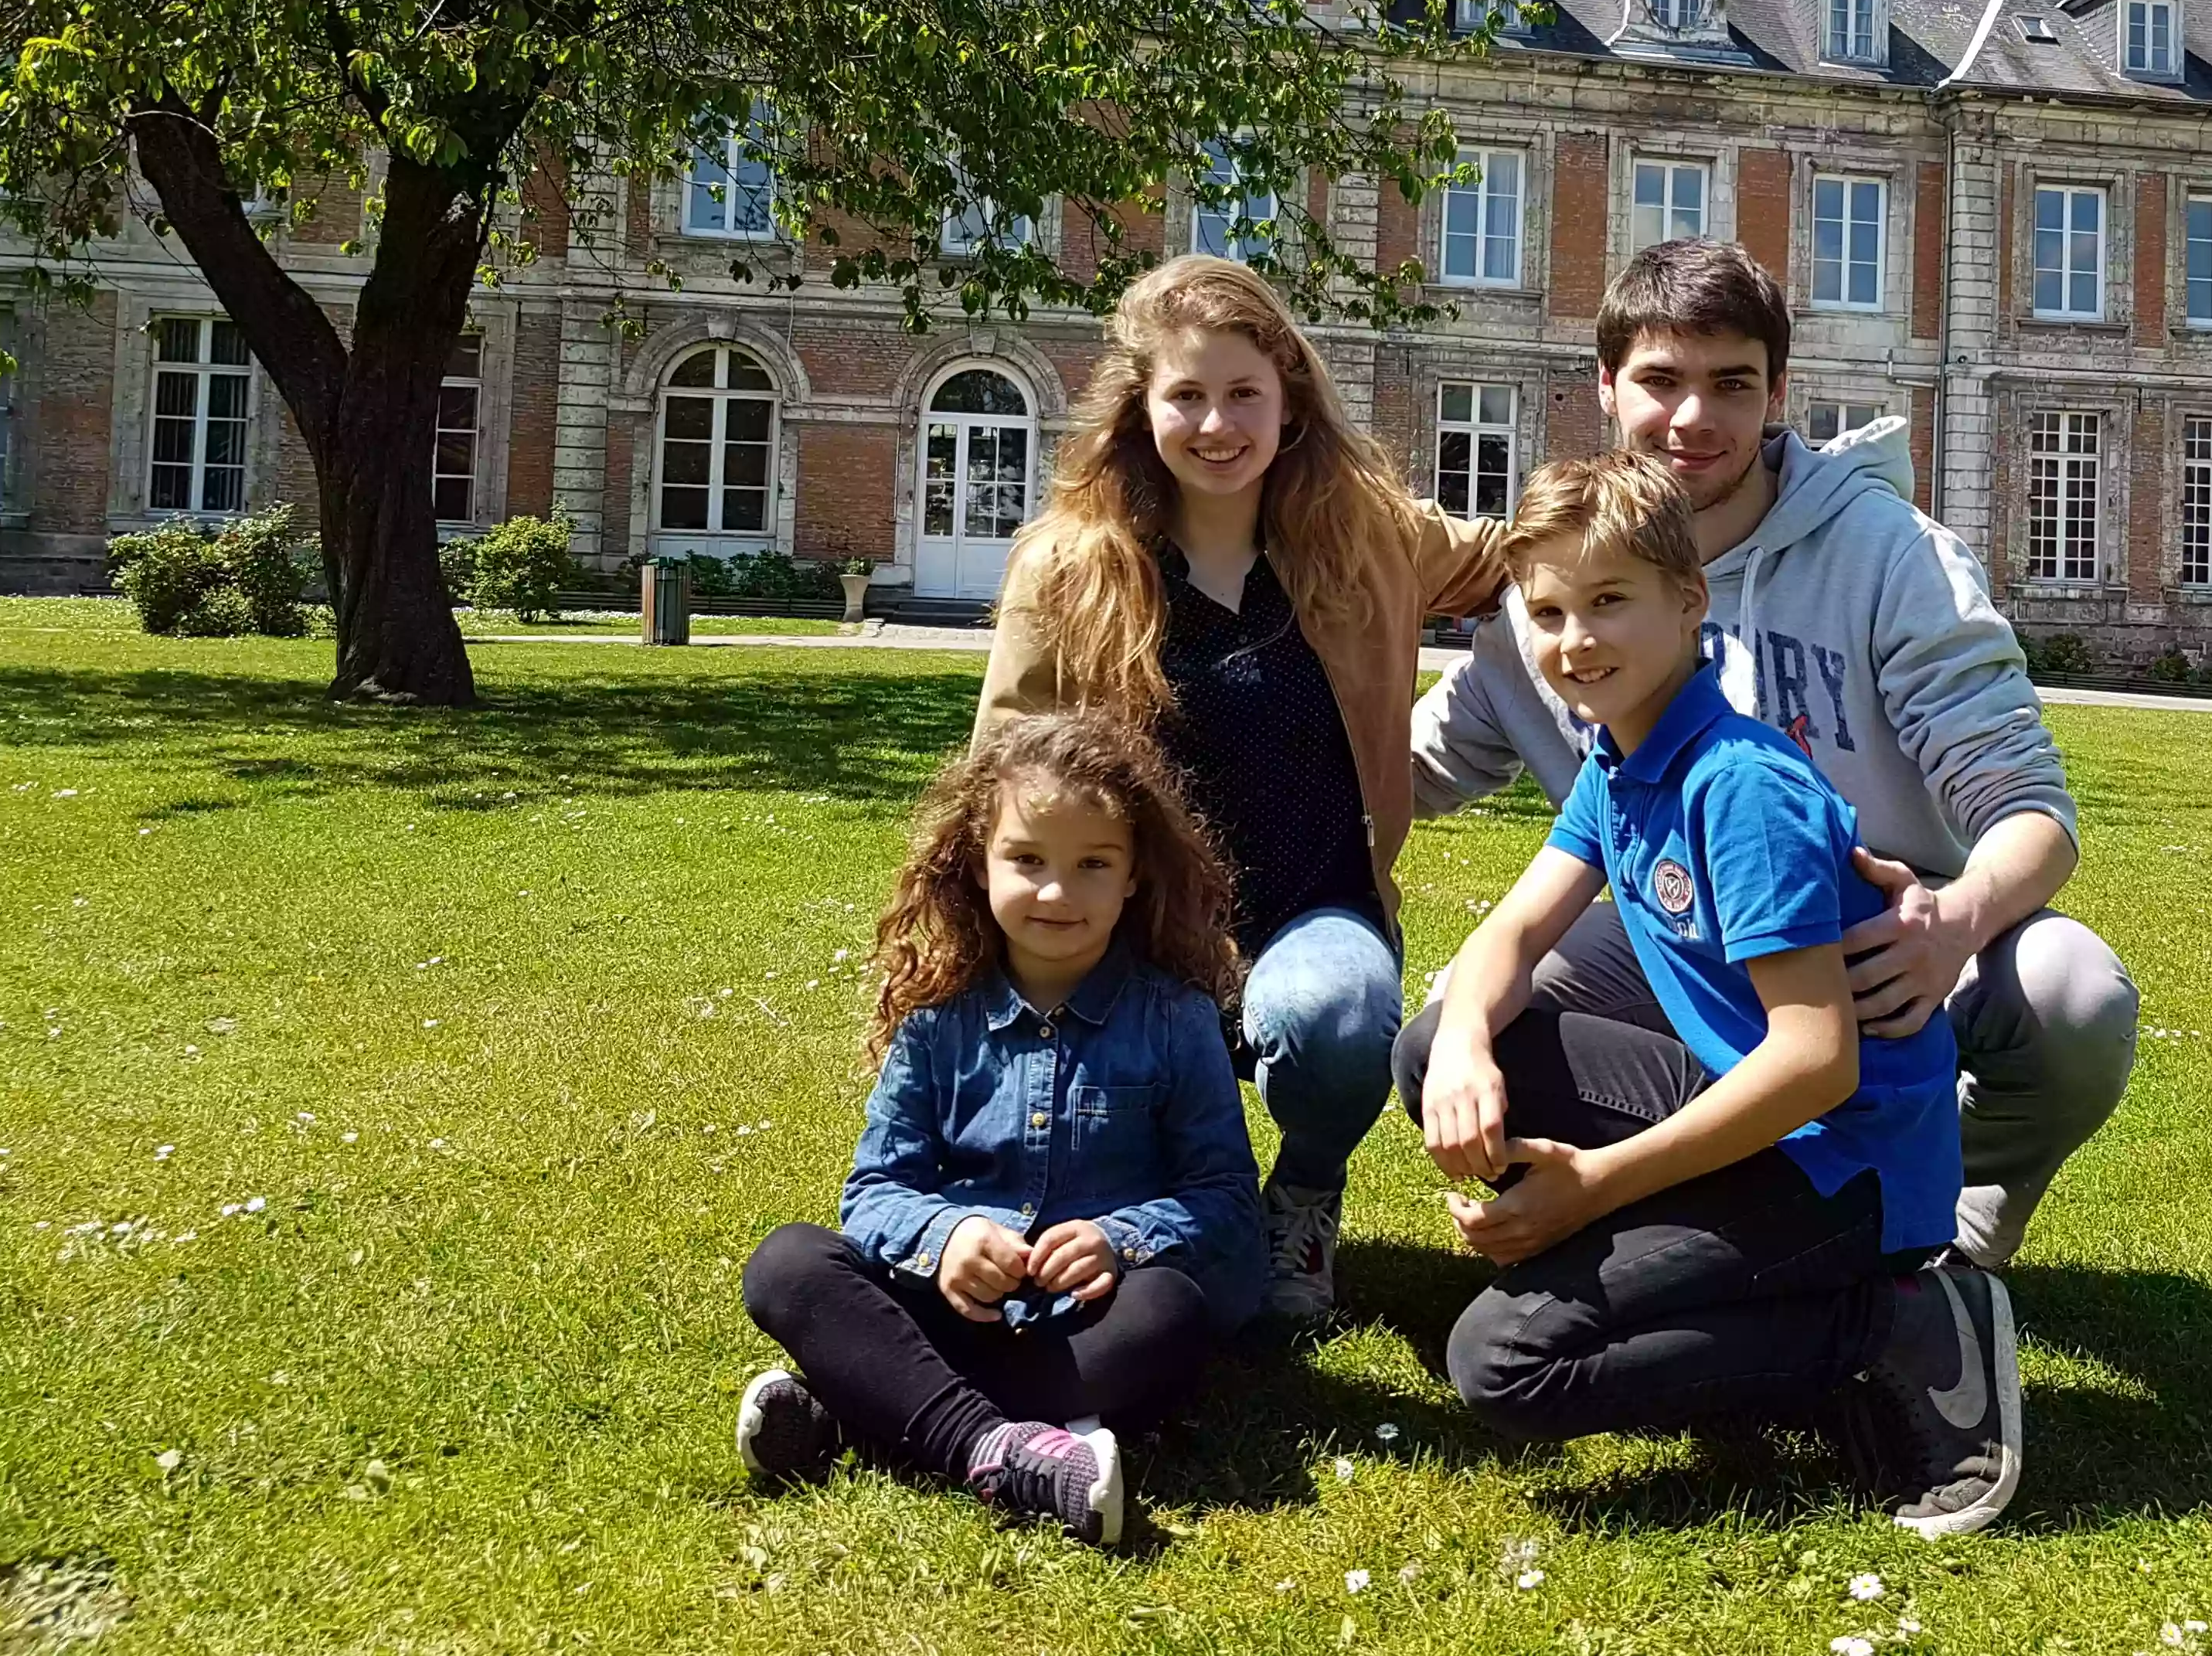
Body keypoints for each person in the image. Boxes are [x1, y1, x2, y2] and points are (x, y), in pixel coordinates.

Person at [1409, 238, 2135, 1270]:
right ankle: (1721, 1205)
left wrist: (1952, 924)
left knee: (2075, 993)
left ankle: (1949, 1214)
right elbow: (1404, 774)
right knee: (1449, 1029)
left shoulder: (1892, 555)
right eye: (1660, 381)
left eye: (1731, 384)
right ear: (1607, 389)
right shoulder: (1558, 598)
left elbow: (2032, 812)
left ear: (1778, 393)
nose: (1694, 419)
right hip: (1677, 930)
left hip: (1879, 934)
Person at [1401, 451, 2020, 1538]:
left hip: (1846, 1167)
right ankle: (1702, 1267)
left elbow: (1818, 1061)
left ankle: (1891, 1326)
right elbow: (1515, 928)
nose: (1574, 640)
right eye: (1546, 612)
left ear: (1688, 604)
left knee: (1503, 1366)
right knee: (1436, 1049)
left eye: (1608, 603)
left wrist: (1593, 1186)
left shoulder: (1739, 789)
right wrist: (1459, 1042)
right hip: (1758, 1106)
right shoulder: (1619, 757)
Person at [978, 253, 1507, 1318]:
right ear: (1142, 406)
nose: (1216, 426)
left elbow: (1530, 553)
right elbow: (1006, 762)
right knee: (1153, 1268)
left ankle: (1305, 1195)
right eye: (1187, 396)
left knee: (1337, 1020)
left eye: (1243, 395)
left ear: (1289, 401)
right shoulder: (1072, 566)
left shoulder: (1369, 536)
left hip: (1319, 907)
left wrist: (1709, 520)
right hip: (1140, 923)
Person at [737, 710, 1262, 1549]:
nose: (1057, 892)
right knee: (788, 1263)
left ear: (1134, 876)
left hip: (1092, 1323)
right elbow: (874, 1193)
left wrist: (1120, 1240)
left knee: (1171, 1315)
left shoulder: (1176, 1018)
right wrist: (945, 1238)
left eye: (1094, 864)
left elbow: (1228, 1200)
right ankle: (1005, 1449)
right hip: (952, 1309)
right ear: (977, 865)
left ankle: (862, 1411)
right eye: (1027, 860)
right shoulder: (938, 1019)